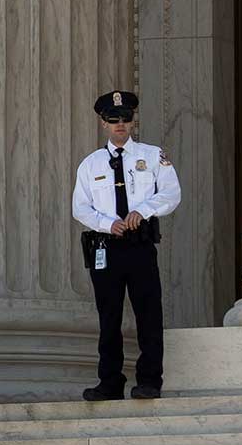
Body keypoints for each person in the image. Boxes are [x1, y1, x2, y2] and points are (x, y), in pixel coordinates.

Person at [71, 89, 179, 400]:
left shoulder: (152, 155)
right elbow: (80, 208)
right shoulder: (90, 165)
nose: (120, 124)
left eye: (125, 118)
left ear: (133, 121)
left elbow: (171, 194)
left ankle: (149, 380)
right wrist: (107, 223)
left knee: (148, 313)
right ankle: (109, 382)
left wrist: (142, 211)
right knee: (109, 317)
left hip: (140, 245)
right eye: (112, 119)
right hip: (107, 246)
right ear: (103, 123)